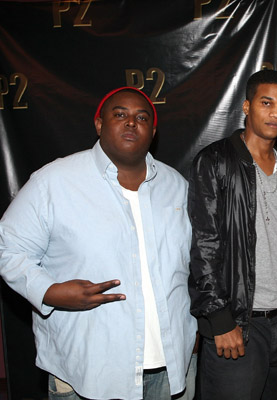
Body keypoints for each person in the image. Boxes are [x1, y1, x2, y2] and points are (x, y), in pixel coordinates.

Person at [0, 87, 197, 399]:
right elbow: (7, 249)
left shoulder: (177, 186)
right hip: (88, 371)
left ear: (153, 131)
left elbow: (195, 265)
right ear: (99, 124)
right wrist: (49, 291)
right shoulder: (54, 182)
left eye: (142, 117)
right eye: (120, 115)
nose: (131, 123)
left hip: (170, 369)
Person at [188, 69, 277, 400]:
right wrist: (220, 320)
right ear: (246, 106)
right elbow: (204, 246)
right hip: (238, 325)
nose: (276, 113)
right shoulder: (215, 162)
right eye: (267, 103)